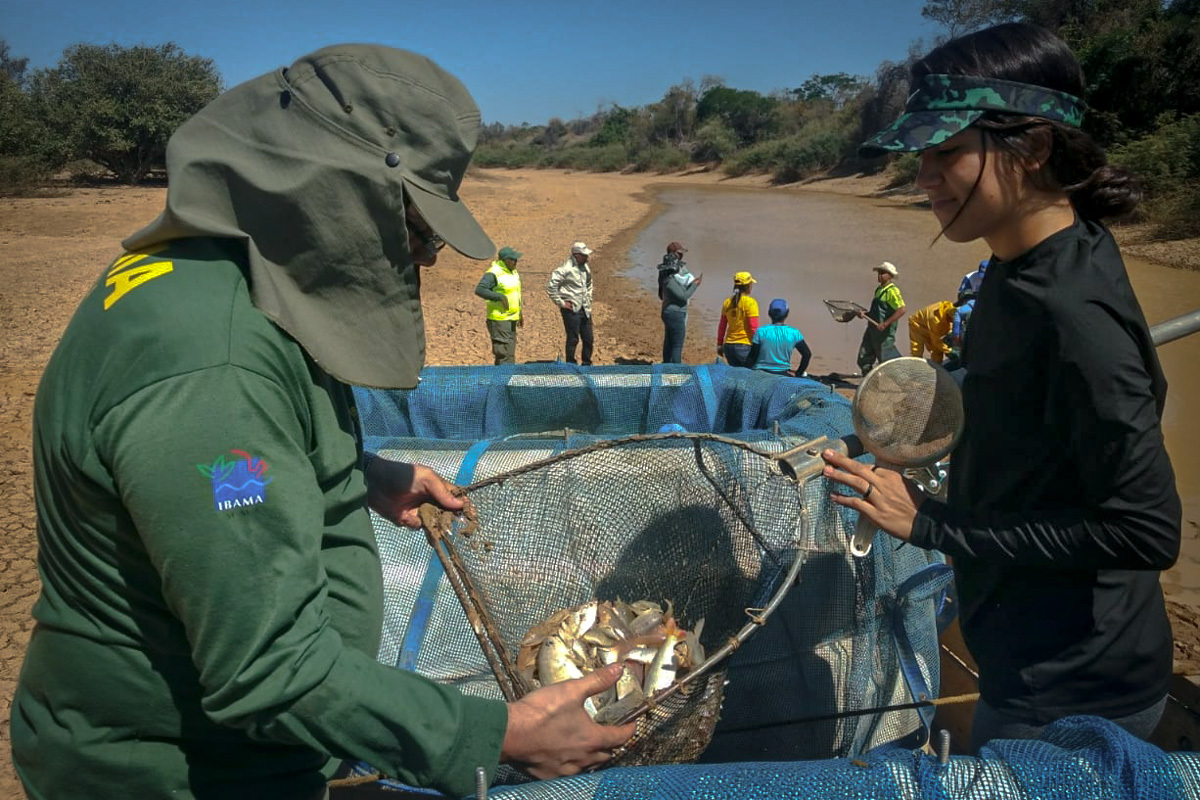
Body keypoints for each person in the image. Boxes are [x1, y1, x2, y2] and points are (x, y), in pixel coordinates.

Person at [10, 45, 634, 800]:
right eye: (414, 231)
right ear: (333, 198)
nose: (426, 261)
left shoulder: (216, 267)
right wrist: (495, 736)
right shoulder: (215, 371)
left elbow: (221, 469)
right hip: (178, 772)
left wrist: (360, 474)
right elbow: (268, 667)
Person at [822, 23, 1181, 753]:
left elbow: (1146, 531)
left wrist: (928, 525)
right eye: (920, 156)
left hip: (1074, 695)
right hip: (1021, 649)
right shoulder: (1020, 266)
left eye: (947, 153)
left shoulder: (1073, 311)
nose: (923, 179)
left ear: (1035, 149)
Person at [547, 242, 595, 366]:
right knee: (573, 338)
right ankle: (571, 364)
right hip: (571, 309)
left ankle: (586, 362)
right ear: (576, 255)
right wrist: (561, 303)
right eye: (584, 255)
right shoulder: (564, 269)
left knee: (588, 338)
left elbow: (589, 284)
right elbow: (551, 287)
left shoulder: (585, 268)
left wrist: (588, 298)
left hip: (585, 308)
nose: (587, 258)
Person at [855, 261, 906, 375]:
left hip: (884, 334)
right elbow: (876, 312)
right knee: (864, 356)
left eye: (883, 273)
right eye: (879, 273)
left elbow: (902, 309)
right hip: (872, 329)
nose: (879, 275)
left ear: (890, 275)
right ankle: (870, 381)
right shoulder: (879, 290)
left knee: (887, 360)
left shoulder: (892, 291)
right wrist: (864, 314)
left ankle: (904, 382)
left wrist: (885, 323)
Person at [475, 245, 524, 365]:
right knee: (503, 354)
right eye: (512, 259)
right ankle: (502, 381)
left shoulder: (512, 272)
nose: (515, 262)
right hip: (499, 320)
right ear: (504, 260)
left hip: (511, 318)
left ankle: (507, 379)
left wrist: (520, 313)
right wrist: (499, 297)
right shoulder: (493, 273)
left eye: (516, 259)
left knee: (510, 353)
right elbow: (480, 290)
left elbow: (515, 294)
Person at [658, 241, 702, 363]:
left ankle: (667, 365)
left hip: (669, 311)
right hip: (675, 313)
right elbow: (683, 296)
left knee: (669, 342)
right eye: (679, 254)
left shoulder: (667, 277)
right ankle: (676, 370)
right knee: (677, 345)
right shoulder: (670, 280)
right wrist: (695, 285)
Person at [750, 298, 812, 377]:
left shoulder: (761, 331)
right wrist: (798, 373)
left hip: (760, 372)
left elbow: (752, 357)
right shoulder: (794, 333)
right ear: (786, 314)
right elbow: (807, 354)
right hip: (782, 373)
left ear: (769, 313)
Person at [716, 271, 759, 367]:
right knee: (748, 376)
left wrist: (719, 344)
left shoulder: (727, 302)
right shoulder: (751, 303)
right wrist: (758, 347)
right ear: (748, 286)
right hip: (744, 346)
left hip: (728, 346)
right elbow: (754, 328)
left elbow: (722, 326)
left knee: (735, 376)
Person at [907, 298, 956, 363]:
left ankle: (937, 367)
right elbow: (936, 341)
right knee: (917, 350)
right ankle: (915, 366)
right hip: (917, 324)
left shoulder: (950, 307)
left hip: (928, 324)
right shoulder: (935, 320)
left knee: (937, 351)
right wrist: (949, 351)